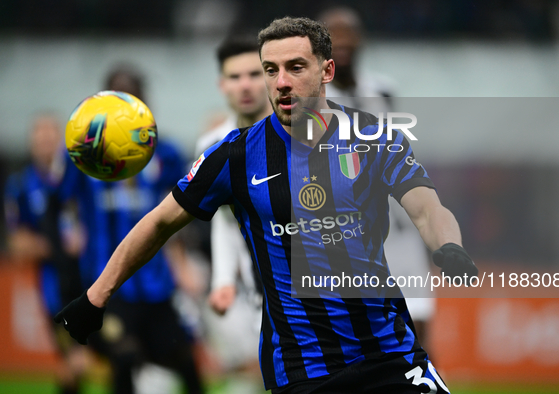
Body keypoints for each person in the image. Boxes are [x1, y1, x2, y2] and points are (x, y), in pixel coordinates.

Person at [55, 17, 478, 394]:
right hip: (304, 368)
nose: (280, 82)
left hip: (391, 353)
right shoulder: (235, 155)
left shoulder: (374, 137)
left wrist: (448, 247)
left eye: (295, 67)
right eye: (270, 70)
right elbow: (160, 222)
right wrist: (94, 297)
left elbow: (426, 207)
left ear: (326, 70)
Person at [59, 65, 205, 394]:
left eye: (133, 96)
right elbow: (61, 202)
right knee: (124, 356)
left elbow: (177, 215)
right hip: (107, 282)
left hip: (157, 285)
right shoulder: (81, 152)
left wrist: (182, 264)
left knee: (185, 359)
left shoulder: (165, 153)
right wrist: (71, 230)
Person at [320, 6, 435, 350]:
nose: (342, 42)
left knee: (419, 327)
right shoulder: (316, 102)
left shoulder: (383, 91)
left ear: (361, 40)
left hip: (400, 233)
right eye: (333, 35)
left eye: (348, 33)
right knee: (361, 340)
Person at [194, 34, 272, 392]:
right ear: (221, 84)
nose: (245, 85)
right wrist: (223, 280)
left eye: (255, 74)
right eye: (235, 76)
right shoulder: (210, 146)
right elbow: (224, 221)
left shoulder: (305, 135)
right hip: (252, 291)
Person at [5, 114, 88, 394]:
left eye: (51, 137)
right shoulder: (20, 185)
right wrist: (53, 245)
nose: (46, 143)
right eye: (40, 138)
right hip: (55, 285)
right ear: (32, 143)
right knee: (74, 361)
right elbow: (17, 243)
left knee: (84, 362)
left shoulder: (79, 179)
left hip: (90, 274)